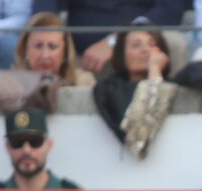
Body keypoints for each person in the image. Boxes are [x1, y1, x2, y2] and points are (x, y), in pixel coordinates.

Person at [30, 0, 189, 77]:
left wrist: (115, 41)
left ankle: (175, 112)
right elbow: (45, 8)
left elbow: (171, 9)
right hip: (82, 51)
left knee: (174, 42)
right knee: (44, 41)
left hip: (138, 40)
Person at [91, 18, 173, 155]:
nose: (145, 50)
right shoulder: (108, 89)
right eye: (136, 45)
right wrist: (154, 71)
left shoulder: (174, 84)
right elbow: (138, 138)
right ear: (121, 53)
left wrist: (155, 72)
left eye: (152, 44)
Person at [0, 108, 81, 190]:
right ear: (7, 147)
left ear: (49, 145)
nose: (26, 150)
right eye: (17, 142)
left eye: (35, 142)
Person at [13, 11, 96, 86]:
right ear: (25, 50)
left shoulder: (83, 83)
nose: (45, 55)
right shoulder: (12, 85)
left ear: (65, 51)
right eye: (38, 46)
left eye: (52, 47)